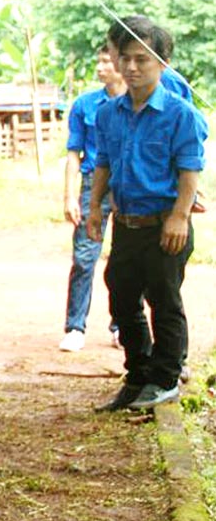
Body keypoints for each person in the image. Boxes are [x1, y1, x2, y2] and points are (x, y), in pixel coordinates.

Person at [88, 22, 206, 411]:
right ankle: (138, 375)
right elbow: (102, 163)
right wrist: (94, 209)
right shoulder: (109, 113)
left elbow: (190, 169)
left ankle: (165, 378)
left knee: (164, 300)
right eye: (126, 58)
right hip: (127, 223)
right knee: (121, 296)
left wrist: (179, 217)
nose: (133, 67)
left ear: (163, 63)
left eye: (143, 59)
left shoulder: (179, 114)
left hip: (165, 224)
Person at [59, 45, 125, 352]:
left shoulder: (135, 104)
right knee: (85, 256)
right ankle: (75, 327)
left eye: (107, 61)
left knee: (127, 258)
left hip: (127, 184)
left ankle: (121, 325)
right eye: (98, 60)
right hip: (91, 184)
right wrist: (69, 195)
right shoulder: (85, 104)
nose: (100, 67)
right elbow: (73, 153)